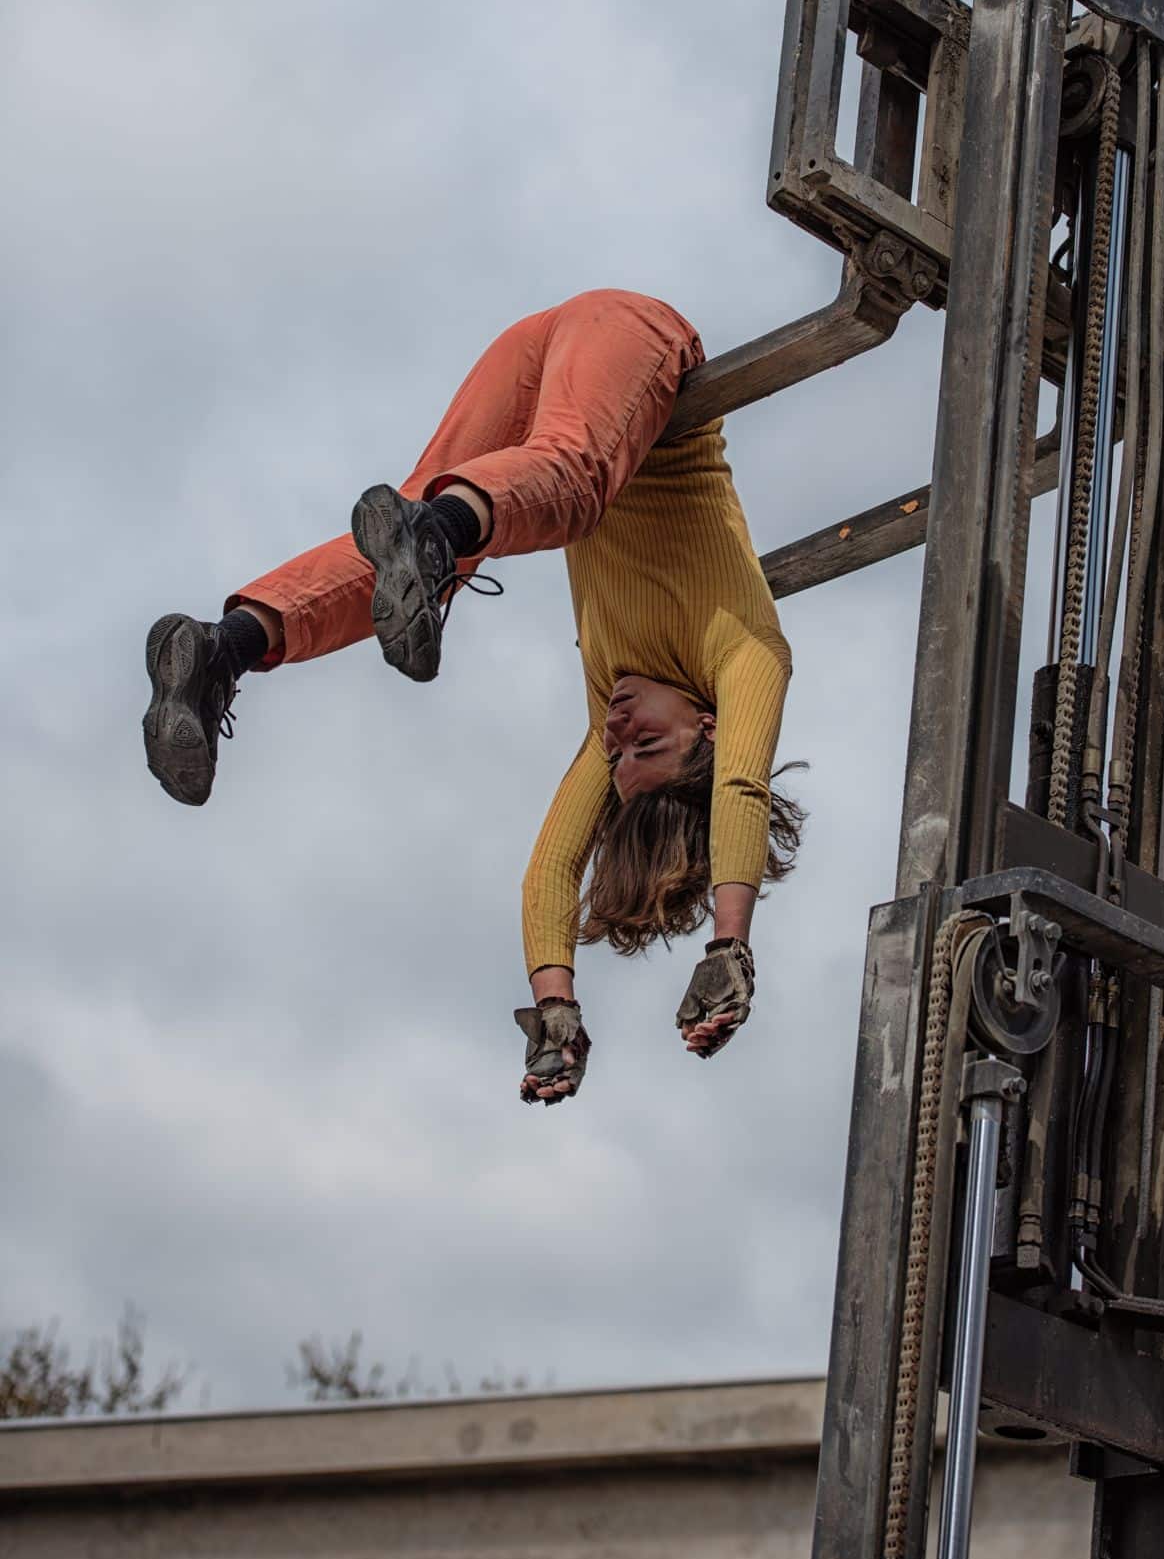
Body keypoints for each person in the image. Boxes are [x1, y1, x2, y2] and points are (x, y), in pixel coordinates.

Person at [142, 288, 804, 1104]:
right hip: (630, 337)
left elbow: (551, 867)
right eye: (646, 744)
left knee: (413, 543)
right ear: (708, 727)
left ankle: (226, 648)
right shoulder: (744, 654)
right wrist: (728, 947)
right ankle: (438, 536)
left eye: (617, 752)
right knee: (572, 480)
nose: (618, 730)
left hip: (528, 358)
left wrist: (556, 1011)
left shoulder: (612, 708)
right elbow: (739, 786)